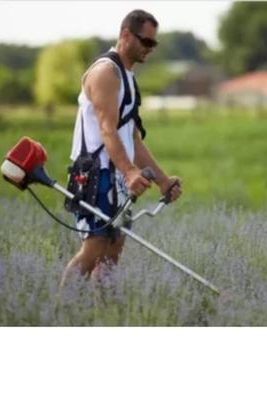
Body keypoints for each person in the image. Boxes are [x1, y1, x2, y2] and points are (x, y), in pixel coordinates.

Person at [61, 9, 182, 287]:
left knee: (112, 254)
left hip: (118, 177)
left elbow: (133, 139)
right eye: (146, 42)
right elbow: (108, 130)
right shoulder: (106, 72)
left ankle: (105, 318)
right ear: (126, 35)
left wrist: (163, 181)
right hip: (96, 174)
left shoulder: (129, 77)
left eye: (154, 44)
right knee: (94, 248)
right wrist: (129, 172)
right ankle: (62, 313)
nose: (150, 49)